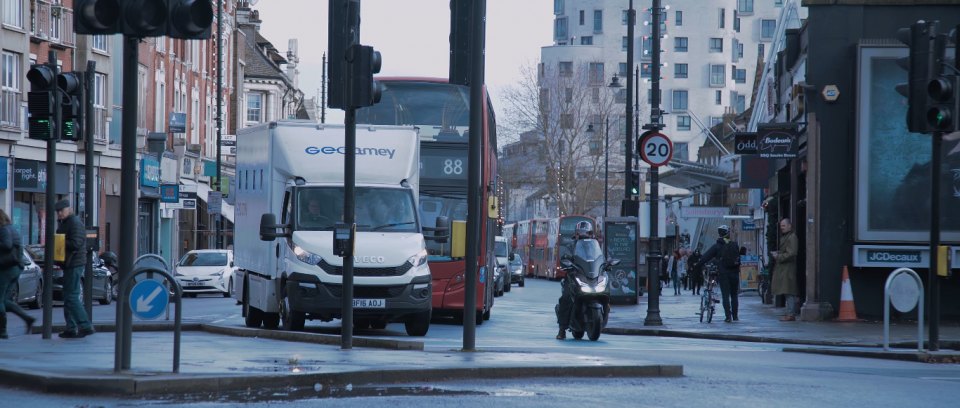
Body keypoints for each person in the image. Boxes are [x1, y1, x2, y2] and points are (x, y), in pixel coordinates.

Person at [55, 200, 95, 338]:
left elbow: (76, 243)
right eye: (58, 211)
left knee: (71, 297)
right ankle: (71, 328)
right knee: (68, 297)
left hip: (74, 264)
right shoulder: (66, 223)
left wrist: (58, 241)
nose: (59, 213)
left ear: (69, 209)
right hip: (69, 264)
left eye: (62, 210)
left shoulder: (74, 223)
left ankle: (85, 325)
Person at [695, 225, 741, 323]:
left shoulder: (717, 246)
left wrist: (697, 265)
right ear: (728, 234)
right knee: (734, 295)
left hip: (724, 274)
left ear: (719, 234)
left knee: (725, 295)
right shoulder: (734, 244)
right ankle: (735, 316)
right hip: (735, 273)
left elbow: (705, 257)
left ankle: (728, 317)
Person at [0, 209, 34, 338]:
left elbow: (7, 245)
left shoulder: (4, 229)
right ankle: (27, 318)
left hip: (7, 268)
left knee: (0, 300)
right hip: (15, 268)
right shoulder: (10, 228)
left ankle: (2, 330)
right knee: (5, 300)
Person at [556, 221, 593, 340]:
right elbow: (564, 257)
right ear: (576, 234)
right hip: (574, 276)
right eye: (581, 233)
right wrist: (567, 263)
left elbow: (600, 257)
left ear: (590, 234)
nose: (583, 235)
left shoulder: (594, 246)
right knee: (566, 298)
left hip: (590, 277)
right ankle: (562, 329)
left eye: (586, 233)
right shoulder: (571, 246)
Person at [771, 218, 799, 321]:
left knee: (789, 291)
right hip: (784, 268)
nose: (781, 228)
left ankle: (790, 314)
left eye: (783, 226)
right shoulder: (787, 237)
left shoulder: (792, 237)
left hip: (787, 269)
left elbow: (791, 253)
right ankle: (789, 313)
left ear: (789, 226)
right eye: (781, 226)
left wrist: (778, 256)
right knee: (787, 291)